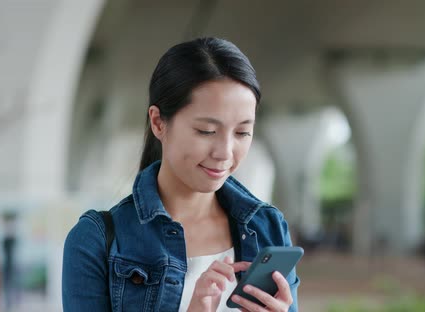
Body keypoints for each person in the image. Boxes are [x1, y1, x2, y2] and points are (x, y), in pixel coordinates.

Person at [62, 37, 299, 312]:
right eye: (206, 131)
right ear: (158, 122)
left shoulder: (268, 228)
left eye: (242, 132)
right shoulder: (94, 241)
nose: (225, 152)